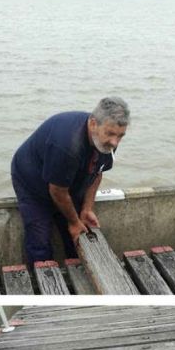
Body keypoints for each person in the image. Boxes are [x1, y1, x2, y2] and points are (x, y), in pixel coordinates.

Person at [11, 97, 130, 263]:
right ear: (93, 124)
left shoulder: (108, 141)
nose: (115, 142)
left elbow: (97, 172)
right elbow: (57, 190)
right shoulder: (67, 145)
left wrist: (87, 208)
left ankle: (77, 268)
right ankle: (43, 281)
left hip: (67, 178)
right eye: (110, 134)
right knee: (40, 239)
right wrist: (73, 221)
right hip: (33, 180)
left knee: (78, 235)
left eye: (120, 136)